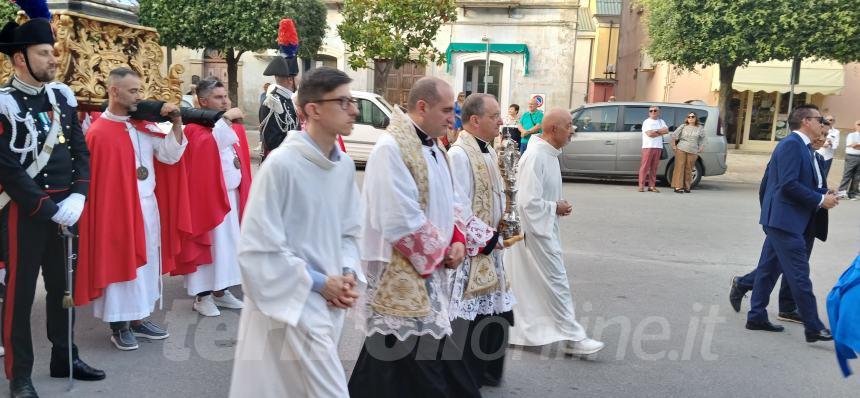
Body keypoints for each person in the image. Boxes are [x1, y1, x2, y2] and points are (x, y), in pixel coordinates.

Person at [229, 67, 361, 397]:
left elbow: (350, 229)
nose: (354, 109)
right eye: (343, 101)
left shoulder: (343, 165)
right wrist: (319, 283)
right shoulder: (282, 166)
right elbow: (257, 248)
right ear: (313, 109)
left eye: (352, 100)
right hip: (293, 300)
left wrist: (345, 273)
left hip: (329, 301)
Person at [348, 77, 478, 398]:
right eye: (447, 110)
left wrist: (459, 238)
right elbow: (396, 216)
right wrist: (443, 249)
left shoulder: (436, 147)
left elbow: (454, 200)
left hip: (430, 267)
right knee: (417, 360)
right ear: (422, 107)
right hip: (404, 270)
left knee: (388, 361)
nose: (453, 118)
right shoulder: (390, 148)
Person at [0, 17, 105, 396]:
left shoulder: (62, 97)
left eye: (52, 52)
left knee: (64, 290)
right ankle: (20, 375)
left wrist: (79, 195)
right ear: (19, 59)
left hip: (67, 210)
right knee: (21, 294)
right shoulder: (4, 104)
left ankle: (64, 357)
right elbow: (7, 167)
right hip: (25, 213)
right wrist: (48, 208)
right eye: (44, 53)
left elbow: (80, 150)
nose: (52, 60)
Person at [75, 68, 187, 351]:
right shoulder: (99, 132)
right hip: (114, 212)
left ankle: (139, 318)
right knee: (120, 263)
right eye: (133, 91)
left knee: (146, 264)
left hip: (147, 207)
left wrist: (176, 123)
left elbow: (170, 156)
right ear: (114, 92)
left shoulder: (143, 126)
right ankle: (119, 325)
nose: (140, 95)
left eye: (139, 89)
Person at [503, 109, 605, 356]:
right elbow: (526, 202)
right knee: (557, 282)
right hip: (536, 232)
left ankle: (519, 330)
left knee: (535, 284)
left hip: (545, 227)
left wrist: (555, 208)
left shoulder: (548, 154)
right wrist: (554, 207)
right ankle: (574, 337)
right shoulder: (536, 156)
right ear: (553, 129)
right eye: (569, 125)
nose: (573, 130)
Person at [746, 104, 838, 343]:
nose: (823, 125)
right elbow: (787, 184)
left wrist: (824, 192)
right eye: (820, 120)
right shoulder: (791, 145)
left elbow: (801, 182)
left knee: (767, 270)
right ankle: (813, 326)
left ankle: (756, 315)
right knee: (799, 274)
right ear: (806, 121)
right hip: (784, 221)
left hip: (788, 220)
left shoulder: (804, 147)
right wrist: (819, 199)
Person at [448, 93, 515, 387]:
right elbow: (456, 205)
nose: (501, 121)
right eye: (494, 116)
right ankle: (465, 378)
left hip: (492, 248)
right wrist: (487, 238)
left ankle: (486, 372)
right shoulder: (459, 155)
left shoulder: (487, 150)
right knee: (469, 317)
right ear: (475, 120)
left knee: (495, 311)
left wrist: (506, 221)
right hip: (474, 251)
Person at [729, 128, 831, 322]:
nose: (822, 138)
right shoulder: (791, 150)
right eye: (820, 132)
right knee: (777, 265)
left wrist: (827, 193)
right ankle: (752, 295)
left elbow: (813, 188)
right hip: (784, 220)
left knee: (788, 264)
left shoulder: (817, 159)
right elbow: (768, 187)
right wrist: (770, 219)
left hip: (808, 221)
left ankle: (784, 306)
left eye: (826, 135)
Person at [174, 78, 250, 317]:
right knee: (210, 248)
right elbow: (210, 146)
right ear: (202, 101)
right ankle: (202, 296)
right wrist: (226, 120)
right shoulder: (195, 129)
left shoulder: (226, 126)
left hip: (231, 199)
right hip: (207, 201)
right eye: (219, 97)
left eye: (225, 96)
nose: (225, 101)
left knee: (228, 249)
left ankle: (221, 291)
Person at [259, 19, 301, 160]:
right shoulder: (272, 103)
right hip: (279, 167)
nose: (300, 79)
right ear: (290, 80)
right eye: (297, 76)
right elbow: (272, 142)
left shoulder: (288, 100)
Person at [670, 112, 705, 193]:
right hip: (681, 148)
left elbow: (703, 139)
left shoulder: (700, 128)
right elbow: (674, 135)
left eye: (692, 116)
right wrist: (674, 146)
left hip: (693, 150)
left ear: (696, 118)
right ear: (687, 118)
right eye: (689, 116)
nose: (691, 118)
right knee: (680, 167)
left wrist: (701, 147)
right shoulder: (683, 126)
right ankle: (678, 186)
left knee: (689, 168)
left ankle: (687, 186)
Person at [639, 106, 668, 192]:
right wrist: (660, 131)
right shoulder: (646, 122)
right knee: (644, 167)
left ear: (658, 112)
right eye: (651, 111)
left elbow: (666, 131)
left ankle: (651, 186)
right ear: (649, 112)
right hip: (648, 146)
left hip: (658, 146)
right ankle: (641, 186)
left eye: (655, 110)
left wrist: (655, 131)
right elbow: (649, 134)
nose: (653, 112)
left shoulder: (661, 121)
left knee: (654, 168)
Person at [837, 120, 860, 200]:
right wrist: (855, 145)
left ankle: (852, 194)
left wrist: (857, 144)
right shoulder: (852, 135)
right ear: (855, 126)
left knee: (857, 177)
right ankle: (841, 192)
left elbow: (856, 145)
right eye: (858, 124)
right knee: (847, 175)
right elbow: (852, 145)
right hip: (851, 156)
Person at [816, 115, 839, 180]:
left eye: (831, 120)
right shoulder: (819, 128)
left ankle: (822, 189)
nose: (829, 121)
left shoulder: (836, 132)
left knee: (824, 175)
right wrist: (822, 144)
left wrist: (831, 144)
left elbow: (836, 144)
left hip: (828, 156)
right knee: (816, 173)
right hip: (819, 153)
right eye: (827, 119)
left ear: (834, 122)